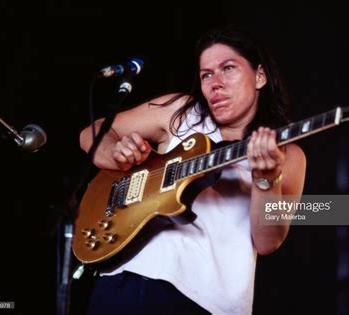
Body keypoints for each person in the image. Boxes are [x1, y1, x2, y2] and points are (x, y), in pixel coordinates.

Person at [79, 25, 306, 315]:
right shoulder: (182, 112)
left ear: (259, 76)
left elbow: (268, 241)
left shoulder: (288, 153)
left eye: (228, 68)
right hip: (128, 279)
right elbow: (93, 133)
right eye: (206, 75)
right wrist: (114, 153)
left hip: (207, 302)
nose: (216, 83)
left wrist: (266, 178)